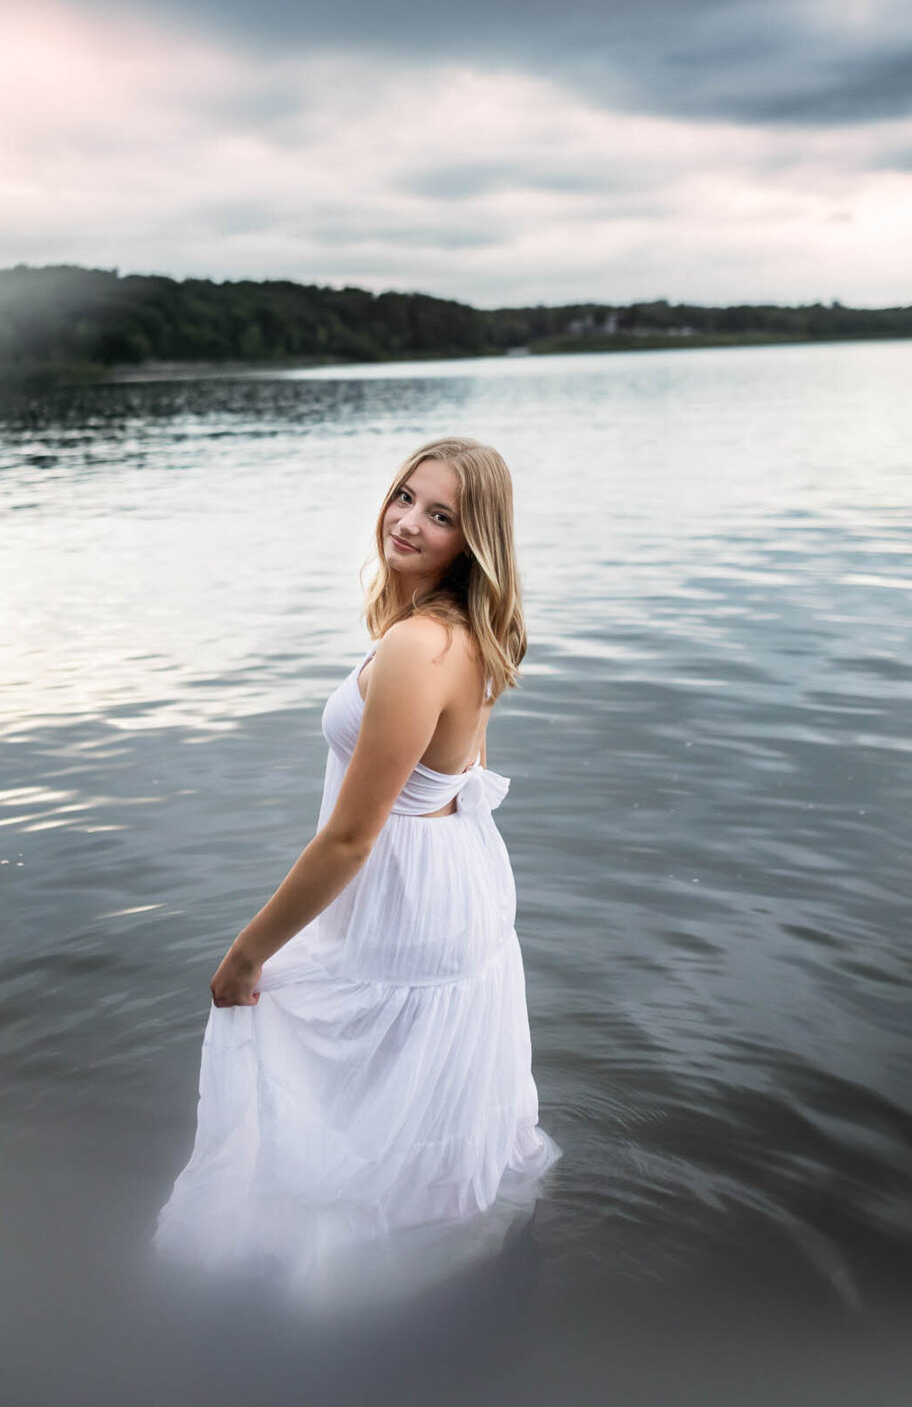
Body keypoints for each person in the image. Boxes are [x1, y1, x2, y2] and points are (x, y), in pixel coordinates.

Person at [151, 436, 561, 1307]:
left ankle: (361, 1285)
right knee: (409, 1084)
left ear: (473, 539)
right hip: (450, 874)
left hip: (405, 894)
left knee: (336, 1057)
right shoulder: (463, 632)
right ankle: (440, 1259)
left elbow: (349, 840)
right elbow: (453, 781)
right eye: (405, 497)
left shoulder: (420, 647)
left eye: (441, 515)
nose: (408, 522)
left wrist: (245, 954)